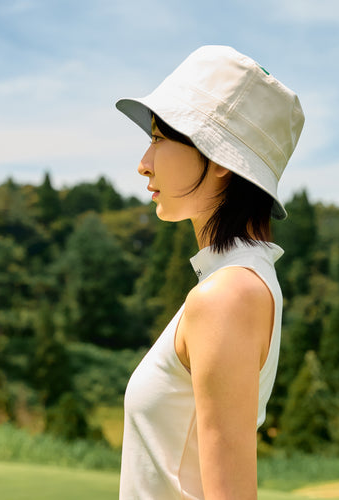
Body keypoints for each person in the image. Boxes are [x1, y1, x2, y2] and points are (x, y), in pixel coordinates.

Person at [115, 45, 304, 499]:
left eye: (159, 139)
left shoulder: (228, 294)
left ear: (220, 158)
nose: (144, 161)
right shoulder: (235, 282)